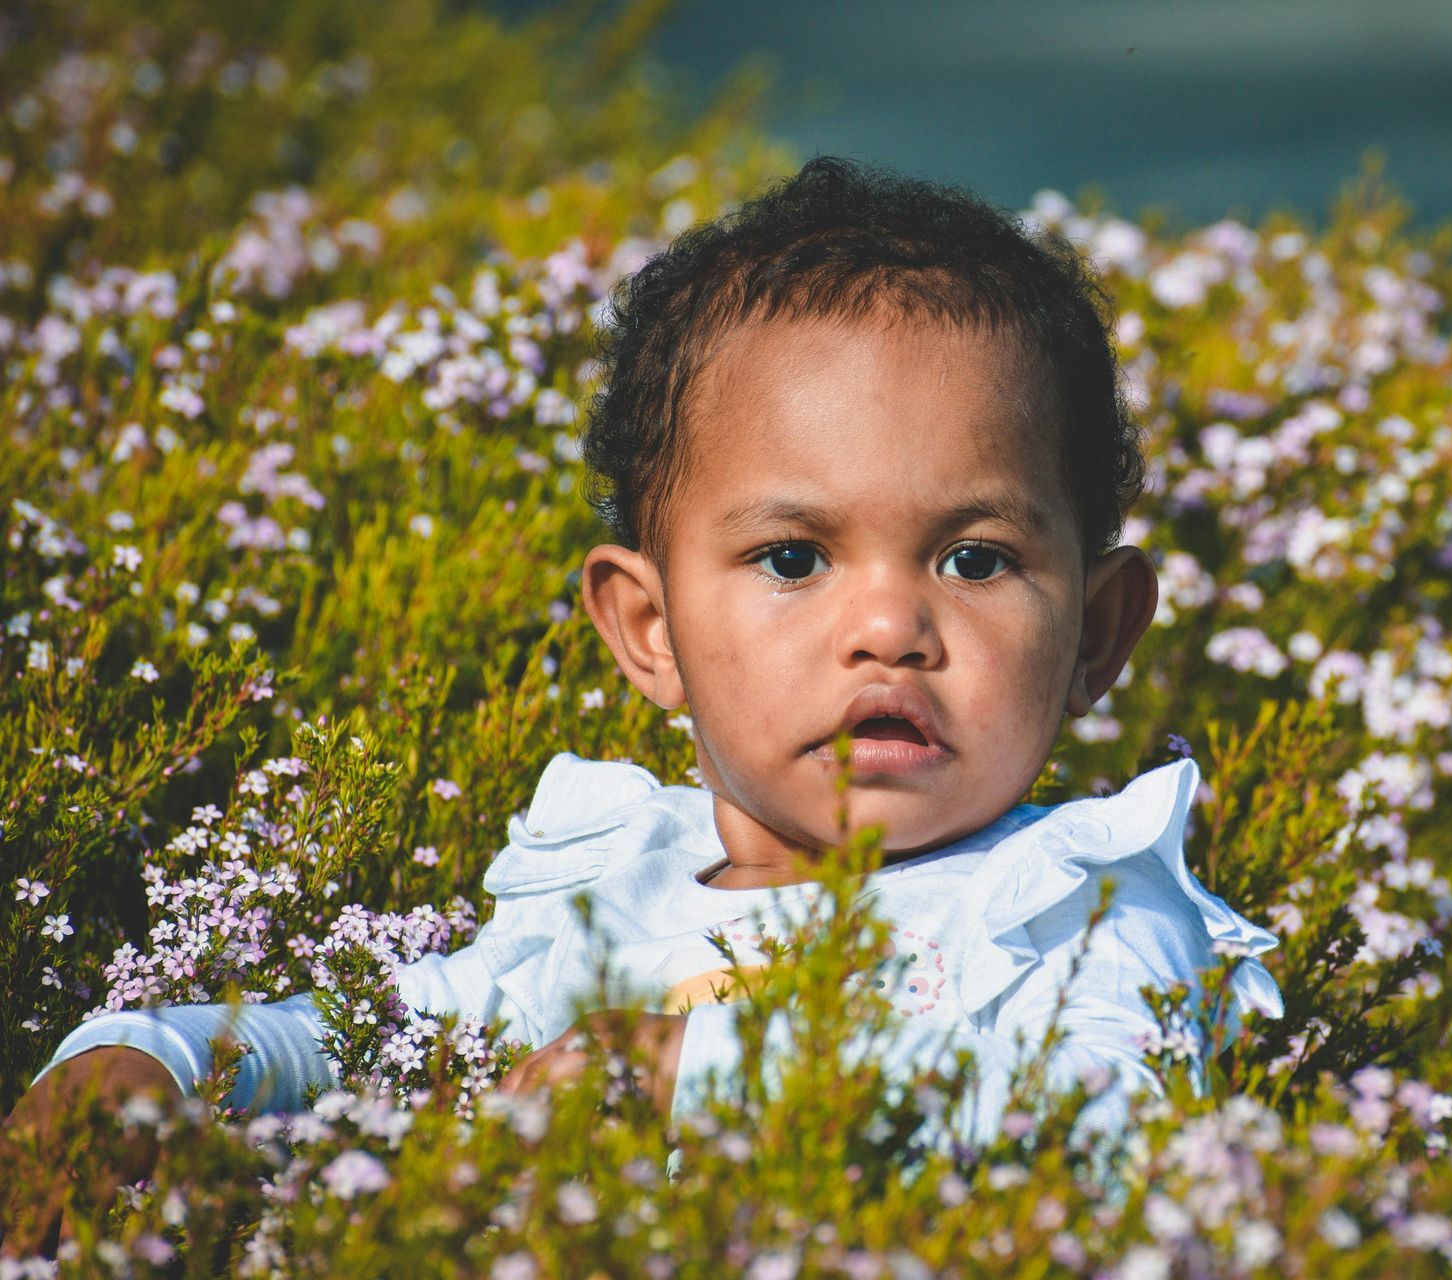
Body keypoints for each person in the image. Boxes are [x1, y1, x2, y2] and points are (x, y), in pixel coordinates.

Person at [2, 156, 1282, 1252]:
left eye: (976, 558)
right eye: (794, 557)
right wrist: (152, 1058)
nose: (892, 626)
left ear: (1099, 629)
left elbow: (1121, 1124)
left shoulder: (1085, 898)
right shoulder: (616, 896)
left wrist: (710, 1077)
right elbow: (371, 1032)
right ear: (650, 628)